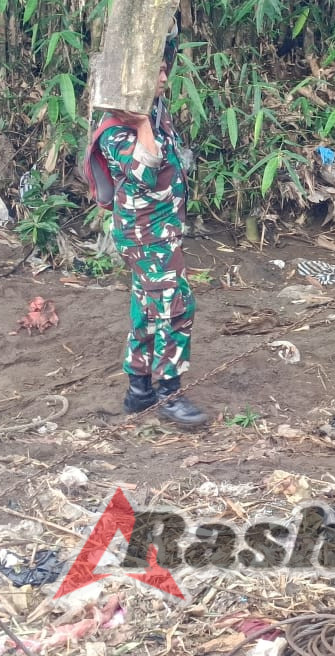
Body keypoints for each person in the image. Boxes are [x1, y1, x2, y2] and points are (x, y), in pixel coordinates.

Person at [88, 26, 208, 428]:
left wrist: (155, 16)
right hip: (145, 234)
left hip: (161, 229)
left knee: (147, 306)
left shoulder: (154, 108)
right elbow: (144, 170)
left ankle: (138, 390)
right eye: (154, 72)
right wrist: (141, 125)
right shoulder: (116, 130)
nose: (163, 77)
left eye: (162, 69)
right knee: (176, 306)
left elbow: (162, 42)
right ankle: (168, 393)